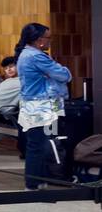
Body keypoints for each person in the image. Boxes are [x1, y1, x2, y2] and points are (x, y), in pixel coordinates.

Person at [15, 22, 72, 189]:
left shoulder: (25, 54)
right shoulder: (36, 56)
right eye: (49, 38)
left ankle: (38, 180)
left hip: (32, 105)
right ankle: (33, 183)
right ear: (39, 40)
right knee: (37, 145)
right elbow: (63, 75)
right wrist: (66, 70)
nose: (50, 41)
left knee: (37, 144)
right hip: (41, 105)